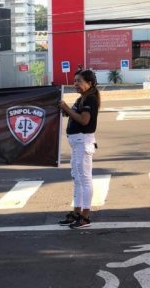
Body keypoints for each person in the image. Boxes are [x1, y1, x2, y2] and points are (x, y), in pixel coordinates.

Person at [58, 69, 100, 229]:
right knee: (76, 178)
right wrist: (65, 109)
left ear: (89, 83)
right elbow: (73, 115)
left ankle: (85, 216)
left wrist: (67, 108)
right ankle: (76, 211)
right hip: (77, 143)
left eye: (79, 81)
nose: (75, 84)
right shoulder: (82, 98)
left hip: (83, 142)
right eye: (74, 81)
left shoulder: (90, 99)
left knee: (84, 178)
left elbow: (84, 120)